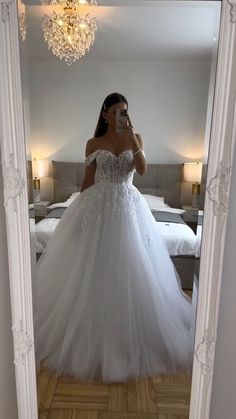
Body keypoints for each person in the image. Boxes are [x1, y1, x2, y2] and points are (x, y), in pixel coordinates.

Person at [35, 92, 196, 382]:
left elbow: (143, 170)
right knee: (93, 267)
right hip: (97, 206)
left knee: (130, 264)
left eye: (126, 111)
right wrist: (75, 215)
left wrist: (133, 140)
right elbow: (86, 183)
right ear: (105, 113)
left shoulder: (136, 138)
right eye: (118, 111)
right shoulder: (92, 144)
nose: (123, 116)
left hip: (128, 206)